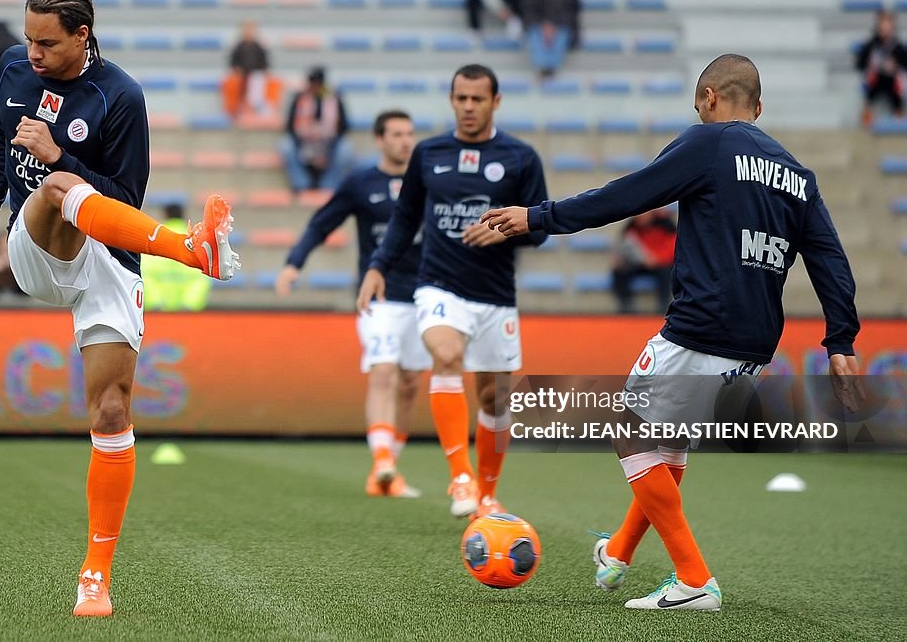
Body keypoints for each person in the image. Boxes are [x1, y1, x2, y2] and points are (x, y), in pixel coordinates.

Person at [481, 54, 862, 611]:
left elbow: (629, 195)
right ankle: (618, 552)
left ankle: (694, 579)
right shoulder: (797, 175)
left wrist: (539, 217)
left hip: (701, 323)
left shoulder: (709, 144)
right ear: (759, 107)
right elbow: (829, 256)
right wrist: (842, 340)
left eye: (697, 103)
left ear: (709, 98)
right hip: (756, 341)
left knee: (625, 423)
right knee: (668, 441)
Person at [0, 0, 240, 618]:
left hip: (107, 256)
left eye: (46, 42)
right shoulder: (12, 67)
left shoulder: (121, 96)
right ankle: (193, 251)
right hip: (40, 246)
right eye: (28, 38)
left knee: (111, 413)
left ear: (82, 35)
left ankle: (95, 576)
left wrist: (59, 152)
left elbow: (124, 198)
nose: (31, 52)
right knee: (56, 185)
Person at [356, 64, 550, 520]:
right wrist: (377, 266)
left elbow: (539, 229)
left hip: (495, 293)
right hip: (438, 285)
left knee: (494, 399)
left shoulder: (521, 158)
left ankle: (487, 491)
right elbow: (406, 219)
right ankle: (460, 476)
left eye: (477, 99)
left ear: (495, 102)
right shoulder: (430, 153)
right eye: (460, 98)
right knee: (445, 357)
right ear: (451, 100)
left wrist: (506, 233)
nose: (467, 107)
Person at [277, 110, 428, 499]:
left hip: (426, 295)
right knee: (384, 372)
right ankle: (382, 463)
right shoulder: (361, 182)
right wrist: (294, 262)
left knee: (410, 384)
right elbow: (321, 223)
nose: (404, 141)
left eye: (409, 134)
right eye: (396, 134)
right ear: (380, 139)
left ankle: (389, 470)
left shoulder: (427, 181)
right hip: (377, 296)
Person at [279, 67, 355, 192]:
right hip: (304, 145)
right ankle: (301, 184)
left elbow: (343, 127)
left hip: (329, 146)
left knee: (346, 149)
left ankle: (329, 186)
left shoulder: (335, 98)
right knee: (286, 146)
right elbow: (290, 127)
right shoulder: (299, 98)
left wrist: (325, 143)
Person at [518, 0, 581, 79]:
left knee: (561, 34)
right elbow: (527, 10)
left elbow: (570, 11)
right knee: (535, 34)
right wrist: (543, 25)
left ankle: (550, 69)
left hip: (561, 25)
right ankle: (542, 68)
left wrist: (553, 25)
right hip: (537, 25)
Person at [143, 204, 212, 311]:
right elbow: (201, 279)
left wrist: (155, 304)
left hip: (158, 313)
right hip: (187, 315)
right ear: (183, 216)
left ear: (166, 215)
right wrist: (190, 305)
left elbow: (145, 274)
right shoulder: (195, 241)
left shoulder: (154, 238)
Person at [611, 207, 676, 314]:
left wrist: (656, 259)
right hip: (639, 263)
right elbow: (621, 245)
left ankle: (663, 306)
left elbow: (672, 247)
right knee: (619, 271)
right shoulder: (631, 227)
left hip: (659, 263)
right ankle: (626, 305)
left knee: (666, 273)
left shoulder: (665, 225)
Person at [222, 20, 281, 123]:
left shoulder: (258, 47)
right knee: (235, 82)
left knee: (258, 81)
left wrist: (261, 71)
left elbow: (265, 63)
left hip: (256, 75)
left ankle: (255, 110)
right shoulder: (239, 47)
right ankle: (238, 110)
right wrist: (238, 70)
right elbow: (233, 63)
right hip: (242, 76)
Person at [856, 9, 907, 127]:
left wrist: (895, 65)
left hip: (892, 81)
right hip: (876, 79)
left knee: (898, 93)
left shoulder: (898, 45)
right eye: (883, 23)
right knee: (869, 91)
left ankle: (899, 118)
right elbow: (860, 64)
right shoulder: (871, 44)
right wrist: (872, 64)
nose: (885, 27)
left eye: (888, 24)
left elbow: (905, 64)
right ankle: (867, 118)